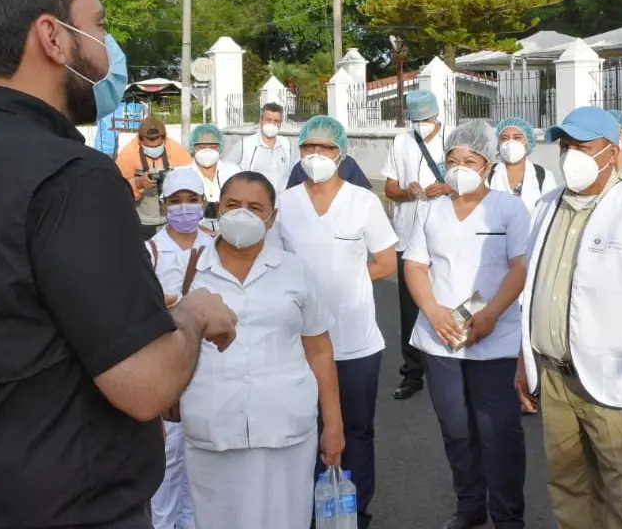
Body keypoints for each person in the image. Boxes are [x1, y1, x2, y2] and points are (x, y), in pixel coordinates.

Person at [0, 0, 237, 529]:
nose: (106, 45)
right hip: (66, 507)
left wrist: (127, 316)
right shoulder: (72, 176)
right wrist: (192, 315)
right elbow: (145, 386)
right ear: (53, 36)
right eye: (96, 26)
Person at [515, 106, 622, 529]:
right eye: (566, 146)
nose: (572, 155)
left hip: (615, 382)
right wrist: (525, 359)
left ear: (614, 152)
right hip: (554, 377)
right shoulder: (548, 205)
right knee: (567, 486)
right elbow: (533, 286)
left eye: (583, 147)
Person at [176, 172, 344, 529]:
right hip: (214, 427)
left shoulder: (295, 271)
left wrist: (334, 424)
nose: (242, 215)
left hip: (285, 428)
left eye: (255, 207)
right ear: (217, 209)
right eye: (233, 205)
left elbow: (319, 351)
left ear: (272, 217)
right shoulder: (190, 272)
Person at [404, 120, 530, 529]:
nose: (461, 167)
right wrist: (434, 311)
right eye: (453, 160)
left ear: (488, 164)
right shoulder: (431, 210)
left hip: (493, 337)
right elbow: (415, 265)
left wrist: (491, 314)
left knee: (500, 433)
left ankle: (508, 516)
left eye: (470, 160)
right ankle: (470, 506)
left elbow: (519, 268)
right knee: (456, 430)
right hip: (440, 338)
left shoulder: (509, 208)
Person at [275, 116, 398, 529]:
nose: (316, 155)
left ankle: (354, 512)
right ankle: (311, 513)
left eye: (325, 148)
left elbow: (385, 260)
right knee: (306, 432)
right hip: (298, 344)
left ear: (340, 153)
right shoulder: (285, 202)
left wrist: (347, 281)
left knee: (357, 432)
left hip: (356, 342)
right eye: (308, 147)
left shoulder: (363, 202)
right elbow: (271, 262)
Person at [147, 166, 216, 529]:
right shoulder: (150, 250)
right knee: (169, 456)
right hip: (169, 364)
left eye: (192, 200)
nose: (185, 208)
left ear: (204, 203)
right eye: (177, 202)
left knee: (202, 456)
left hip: (213, 363)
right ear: (164, 205)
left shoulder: (219, 243)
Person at [382, 89, 451, 401]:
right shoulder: (401, 142)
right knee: (410, 307)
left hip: (448, 234)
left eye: (427, 118)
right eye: (417, 119)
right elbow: (389, 187)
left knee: (452, 296)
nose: (422, 123)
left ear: (437, 114)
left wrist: (448, 187)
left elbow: (476, 180)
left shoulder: (455, 138)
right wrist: (407, 191)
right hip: (409, 235)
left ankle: (451, 362)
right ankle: (412, 372)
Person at [116, 115, 193, 239]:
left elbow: (191, 183)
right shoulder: (127, 155)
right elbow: (117, 192)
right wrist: (138, 184)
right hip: (141, 221)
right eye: (149, 144)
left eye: (157, 144)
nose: (153, 147)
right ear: (140, 140)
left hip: (173, 219)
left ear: (164, 138)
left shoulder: (179, 152)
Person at [490, 116, 557, 211]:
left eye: (517, 138)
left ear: (527, 141)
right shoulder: (488, 174)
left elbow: (550, 212)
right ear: (498, 143)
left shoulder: (543, 176)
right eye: (504, 138)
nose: (510, 143)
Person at [232, 101, 293, 194]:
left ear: (281, 123)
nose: (272, 124)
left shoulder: (286, 144)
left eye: (276, 121)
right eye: (268, 120)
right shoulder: (246, 144)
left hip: (281, 203)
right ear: (261, 120)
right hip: (253, 202)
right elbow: (226, 169)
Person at [188, 123, 241, 230]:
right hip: (194, 235)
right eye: (202, 147)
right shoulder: (182, 173)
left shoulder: (234, 171)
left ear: (220, 147)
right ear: (193, 147)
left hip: (229, 233)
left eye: (213, 147)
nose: (207, 150)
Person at [287, 151, 374, 190]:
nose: (317, 150)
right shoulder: (300, 168)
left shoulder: (347, 164)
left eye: (325, 146)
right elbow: (290, 199)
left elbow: (363, 195)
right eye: (311, 145)